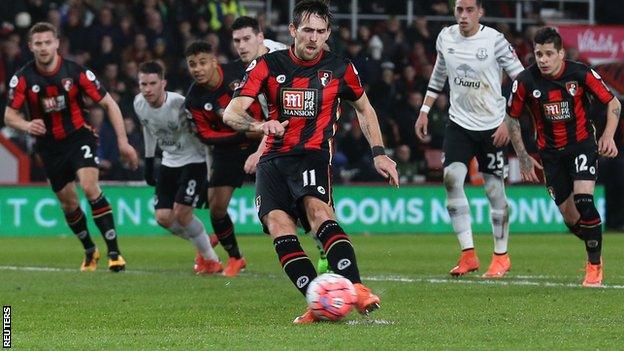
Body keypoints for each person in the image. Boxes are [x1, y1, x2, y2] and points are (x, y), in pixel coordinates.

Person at [223, 0, 399, 323]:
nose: (313, 38)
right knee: (279, 227)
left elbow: (365, 109)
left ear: (328, 33)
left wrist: (379, 153)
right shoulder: (267, 65)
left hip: (312, 154)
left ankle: (357, 287)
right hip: (273, 159)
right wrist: (259, 126)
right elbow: (231, 112)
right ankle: (317, 301)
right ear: (292, 31)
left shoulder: (340, 68)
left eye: (320, 31)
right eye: (306, 30)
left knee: (319, 212)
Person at [4, 22, 139, 272]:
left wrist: (123, 142)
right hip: (48, 146)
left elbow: (109, 103)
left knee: (89, 187)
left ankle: (114, 253)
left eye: (47, 42)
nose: (43, 48)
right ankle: (90, 249)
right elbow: (9, 116)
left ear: (57, 43)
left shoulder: (75, 72)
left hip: (79, 137)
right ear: (30, 47)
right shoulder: (22, 78)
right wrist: (26, 125)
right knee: (68, 203)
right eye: (38, 44)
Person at [414, 0, 524, 278]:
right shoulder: (445, 37)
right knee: (451, 180)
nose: (463, 16)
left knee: (493, 190)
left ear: (480, 12)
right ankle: (468, 255)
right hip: (459, 123)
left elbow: (521, 80)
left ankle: (501, 256)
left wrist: (507, 120)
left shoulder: (495, 41)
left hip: (491, 126)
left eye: (469, 10)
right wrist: (425, 110)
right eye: (459, 10)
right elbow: (439, 74)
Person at [505, 27, 620, 287]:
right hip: (550, 155)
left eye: (548, 54)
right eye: (538, 54)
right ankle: (593, 238)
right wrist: (522, 155)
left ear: (560, 53)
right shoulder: (525, 81)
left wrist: (608, 136)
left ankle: (594, 265)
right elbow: (511, 116)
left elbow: (613, 103)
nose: (543, 60)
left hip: (581, 145)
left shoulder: (579, 73)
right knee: (570, 218)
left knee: (583, 200)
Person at [230, 15, 329, 274]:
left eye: (247, 39)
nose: (241, 45)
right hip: (282, 140)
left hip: (309, 136)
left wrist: (260, 150)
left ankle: (331, 256)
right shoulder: (252, 67)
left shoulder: (278, 57)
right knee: (291, 209)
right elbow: (273, 118)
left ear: (261, 37)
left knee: (311, 204)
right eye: (236, 41)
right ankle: (324, 251)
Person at [133, 61, 222, 275]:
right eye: (143, 84)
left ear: (163, 83)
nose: (147, 89)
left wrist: (209, 174)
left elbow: (204, 136)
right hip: (169, 161)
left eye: (152, 83)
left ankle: (212, 261)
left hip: (194, 161)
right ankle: (204, 243)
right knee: (163, 217)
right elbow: (148, 128)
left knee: (183, 214)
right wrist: (147, 160)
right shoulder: (138, 103)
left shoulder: (180, 105)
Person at [184, 41, 254, 277]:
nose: (198, 69)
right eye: (192, 65)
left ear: (214, 61)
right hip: (231, 148)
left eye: (203, 62)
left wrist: (261, 127)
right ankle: (235, 257)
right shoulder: (193, 98)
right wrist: (242, 132)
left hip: (264, 139)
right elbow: (206, 135)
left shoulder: (237, 73)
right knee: (216, 207)